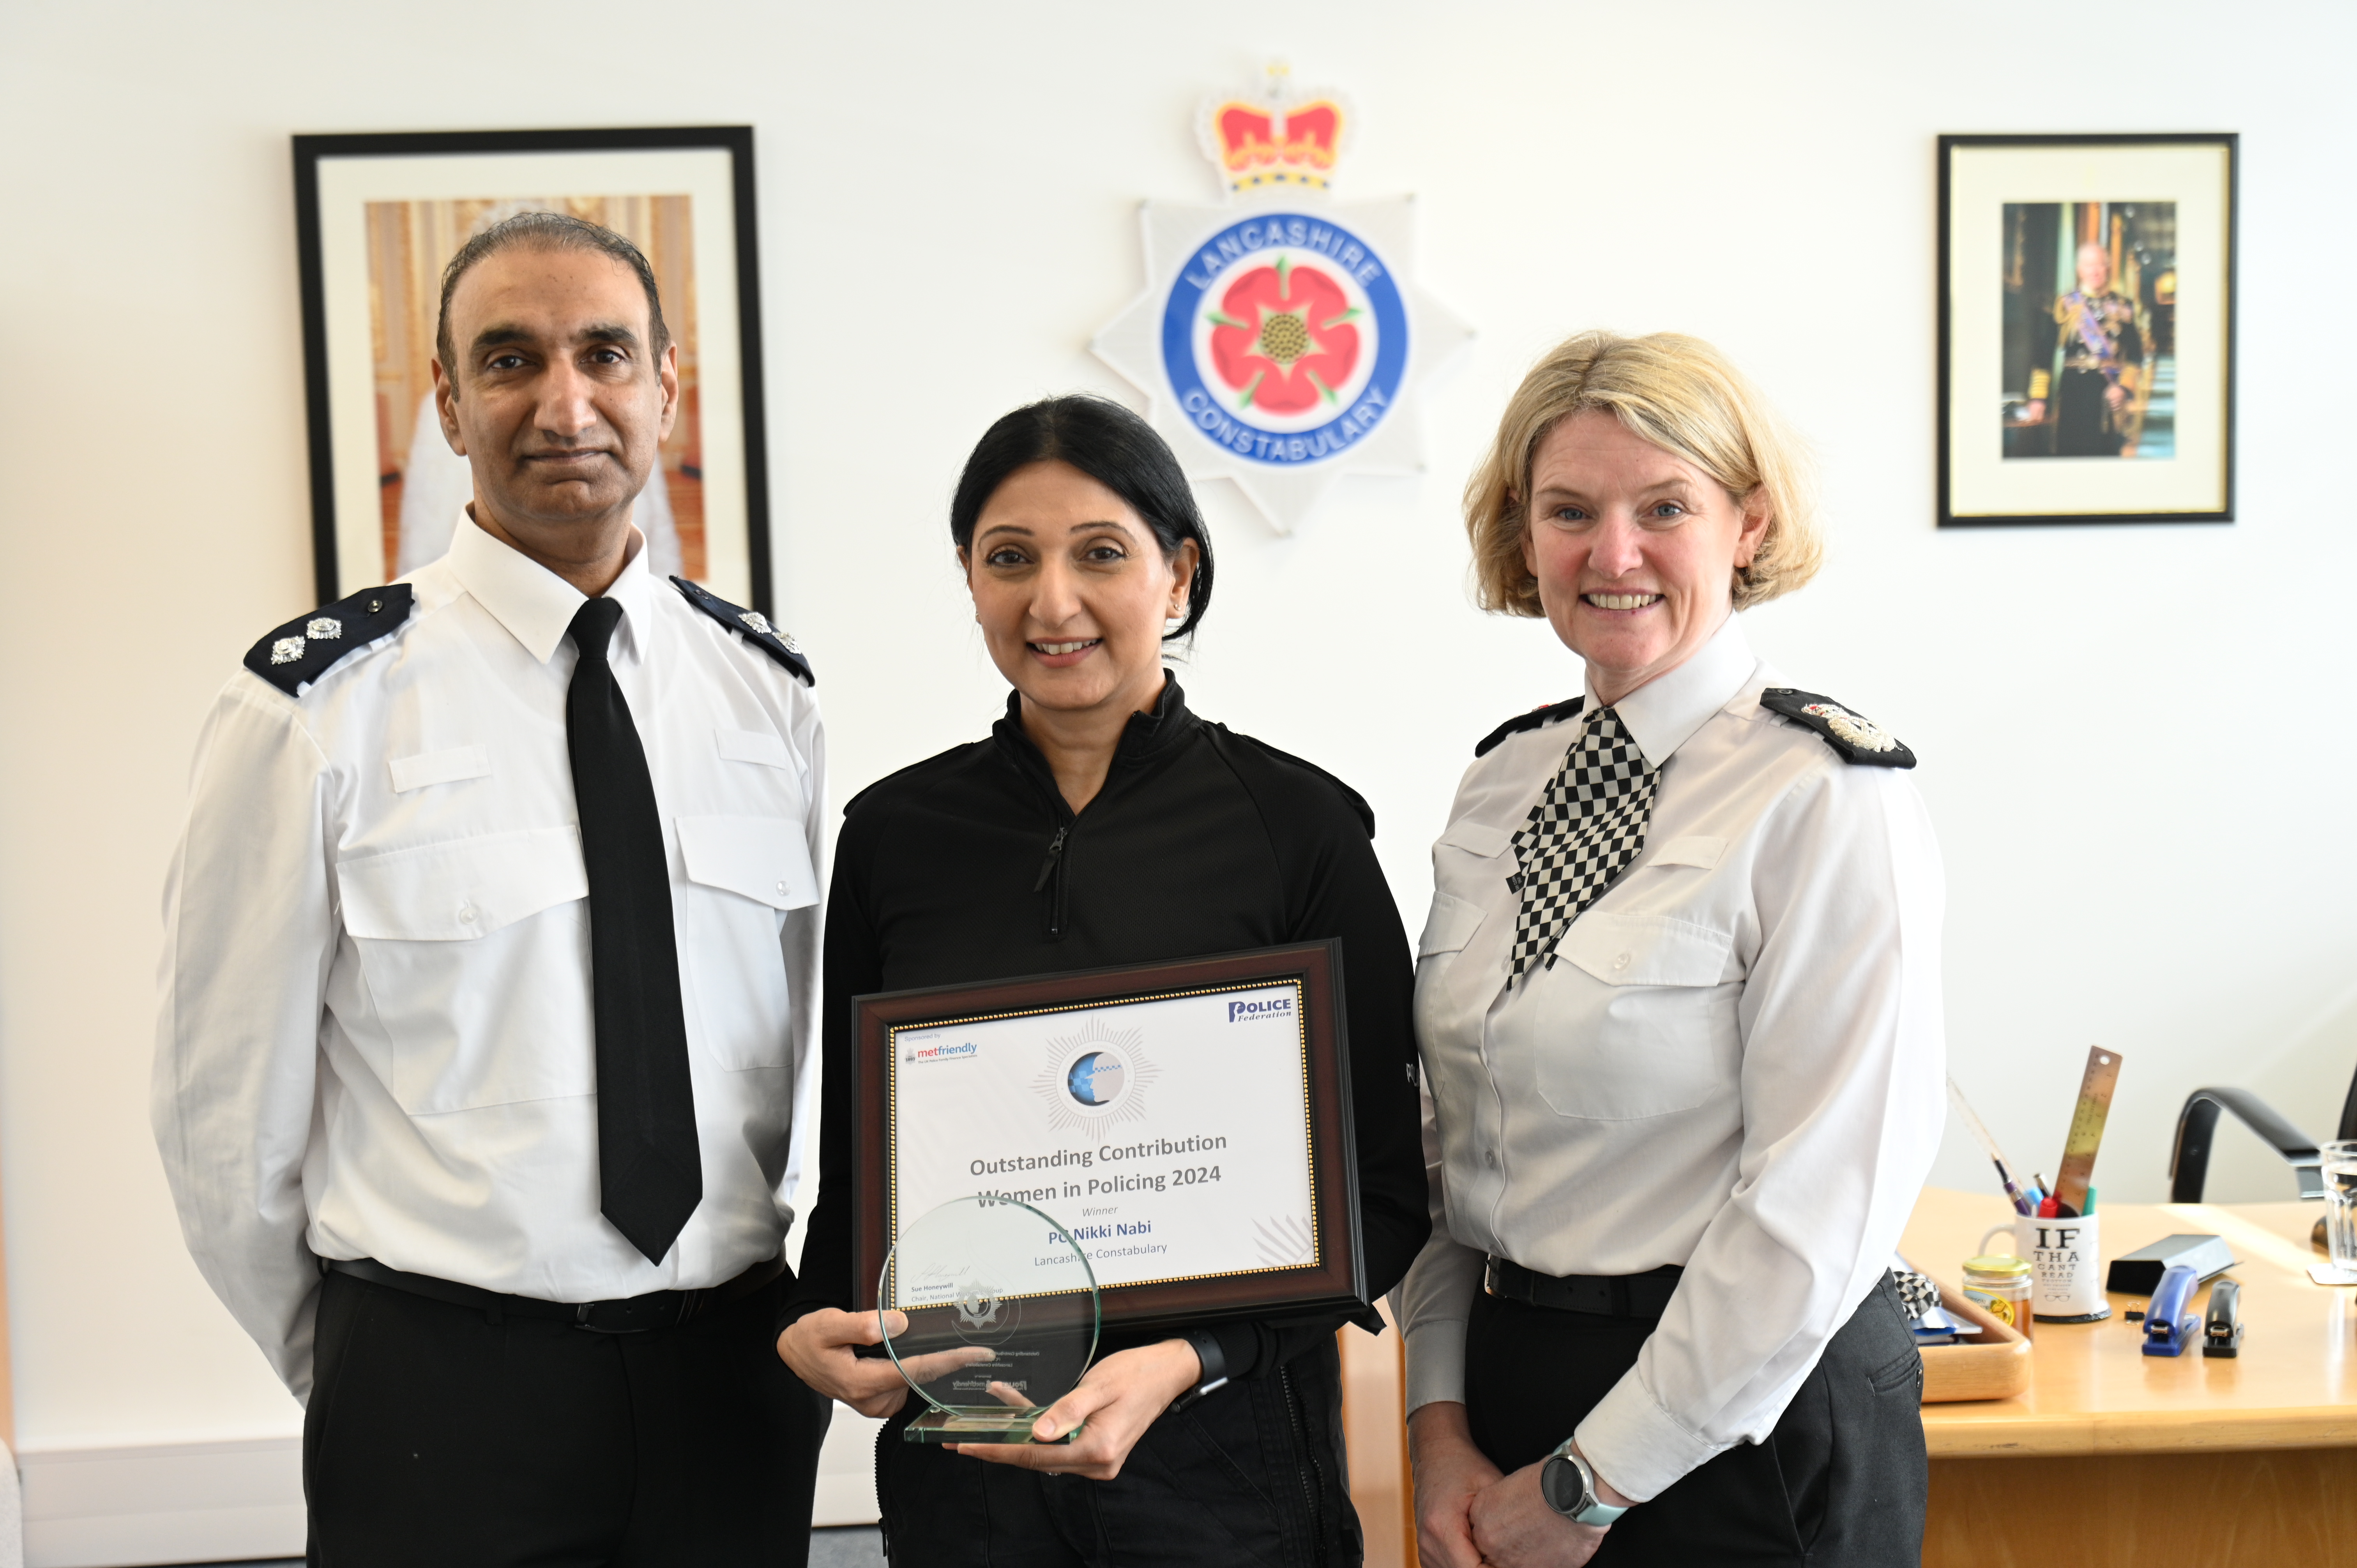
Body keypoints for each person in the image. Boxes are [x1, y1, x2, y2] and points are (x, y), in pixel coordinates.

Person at [153, 212, 830, 1566]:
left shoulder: (769, 694)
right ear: (451, 406)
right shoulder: (315, 708)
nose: (564, 404)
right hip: (440, 1394)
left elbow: (810, 1056)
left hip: (731, 1384)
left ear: (665, 387)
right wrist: (366, 1360)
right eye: (510, 360)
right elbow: (219, 1115)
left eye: (604, 354)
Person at [775, 394, 1429, 1566]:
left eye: (1101, 553)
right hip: (967, 1466)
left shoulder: (1298, 829)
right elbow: (862, 1181)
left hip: (1229, 1465)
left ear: (1179, 575)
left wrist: (1194, 1357)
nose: (1053, 600)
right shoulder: (893, 836)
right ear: (969, 579)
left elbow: (1384, 1198)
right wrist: (822, 1327)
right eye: (1009, 558)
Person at [1397, 331, 1944, 1568]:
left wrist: (1592, 1485)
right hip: (1510, 1395)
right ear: (1523, 535)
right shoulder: (1501, 785)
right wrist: (1438, 1423)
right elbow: (1445, 1145)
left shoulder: (1826, 794)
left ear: (1749, 524)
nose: (1613, 554)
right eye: (1568, 512)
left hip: (1744, 1429)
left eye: (1665, 507)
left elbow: (1822, 1202)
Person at [2022, 241, 2146, 457]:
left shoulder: (2123, 306)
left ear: (2108, 268)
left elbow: (2136, 357)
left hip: (2108, 396)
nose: (2095, 271)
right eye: (2089, 266)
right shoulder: (2065, 305)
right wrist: (2038, 398)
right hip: (2073, 395)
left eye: (2100, 265)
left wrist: (2123, 389)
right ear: (2080, 270)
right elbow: (2044, 355)